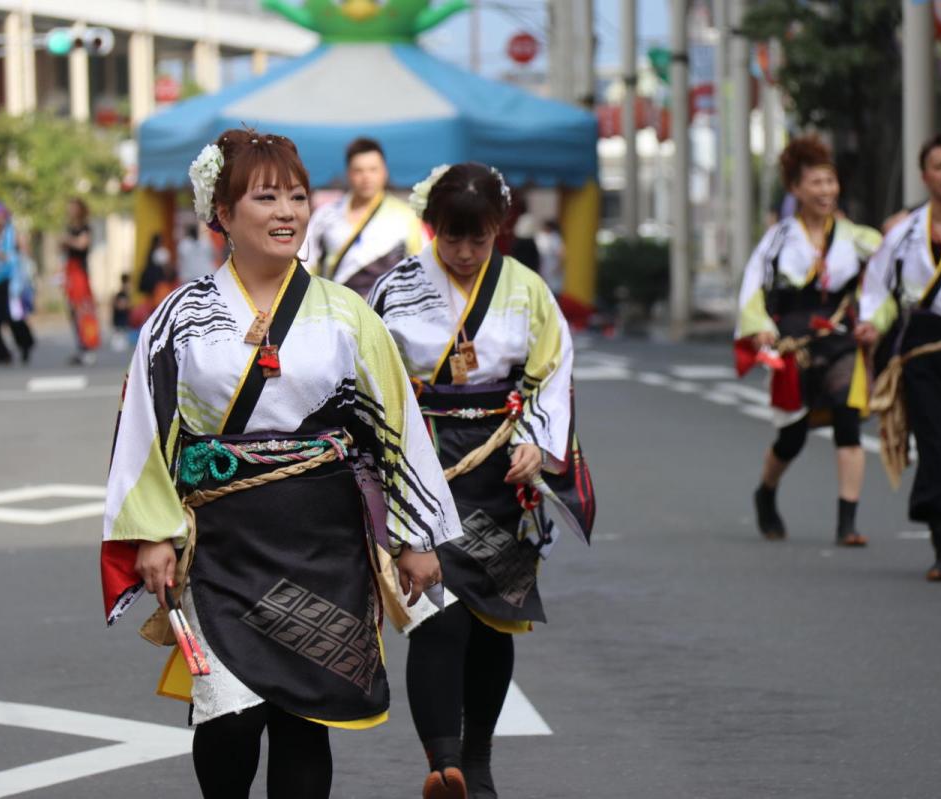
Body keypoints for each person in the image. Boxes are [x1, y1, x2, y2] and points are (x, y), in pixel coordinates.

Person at [100, 128, 461, 799]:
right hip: (222, 544)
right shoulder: (178, 318)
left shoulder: (346, 314)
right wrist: (151, 531)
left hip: (323, 545)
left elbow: (397, 427)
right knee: (229, 717)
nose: (287, 211)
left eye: (296, 195)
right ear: (223, 213)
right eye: (265, 197)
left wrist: (416, 534)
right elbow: (145, 427)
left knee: (305, 718)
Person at [368, 163, 595, 799]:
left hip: (500, 464)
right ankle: (444, 765)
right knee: (435, 614)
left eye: (479, 239)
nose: (465, 253)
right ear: (431, 227)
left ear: (500, 229)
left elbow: (553, 372)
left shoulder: (527, 291)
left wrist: (536, 444)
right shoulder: (396, 287)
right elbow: (366, 374)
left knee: (495, 617)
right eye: (452, 238)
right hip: (423, 458)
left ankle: (479, 756)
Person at [855, 133, 941, 581]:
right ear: (925, 176)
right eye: (940, 166)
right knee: (935, 443)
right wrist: (871, 324)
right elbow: (880, 289)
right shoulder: (903, 231)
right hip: (923, 345)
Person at [734, 136, 881, 547]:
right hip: (793, 344)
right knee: (792, 436)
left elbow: (891, 269)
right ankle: (765, 493)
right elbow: (752, 289)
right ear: (796, 189)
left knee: (848, 422)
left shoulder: (857, 238)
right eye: (816, 183)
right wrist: (760, 327)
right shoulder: (778, 239)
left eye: (830, 182)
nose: (825, 191)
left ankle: (847, 522)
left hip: (838, 337)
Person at [304, 137, 426, 296]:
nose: (366, 177)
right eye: (359, 170)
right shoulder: (325, 216)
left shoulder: (406, 217)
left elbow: (422, 268)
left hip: (386, 311)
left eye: (373, 169)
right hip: (336, 309)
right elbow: (306, 264)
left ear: (384, 172)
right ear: (348, 173)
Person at [0, 202, 35, 364]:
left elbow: (26, 254)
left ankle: (25, 343)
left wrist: (12, 257)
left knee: (14, 316)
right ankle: (1, 352)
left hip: (13, 282)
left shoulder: (13, 234)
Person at [61, 198, 99, 365]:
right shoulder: (70, 228)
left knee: (83, 310)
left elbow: (82, 244)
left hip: (80, 274)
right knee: (72, 311)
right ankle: (80, 345)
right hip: (70, 272)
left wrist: (67, 240)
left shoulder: (85, 228)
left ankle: (88, 346)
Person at [111, 272, 132, 352]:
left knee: (122, 335)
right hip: (119, 320)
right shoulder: (120, 294)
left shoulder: (125, 294)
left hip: (123, 321)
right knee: (119, 338)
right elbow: (120, 306)